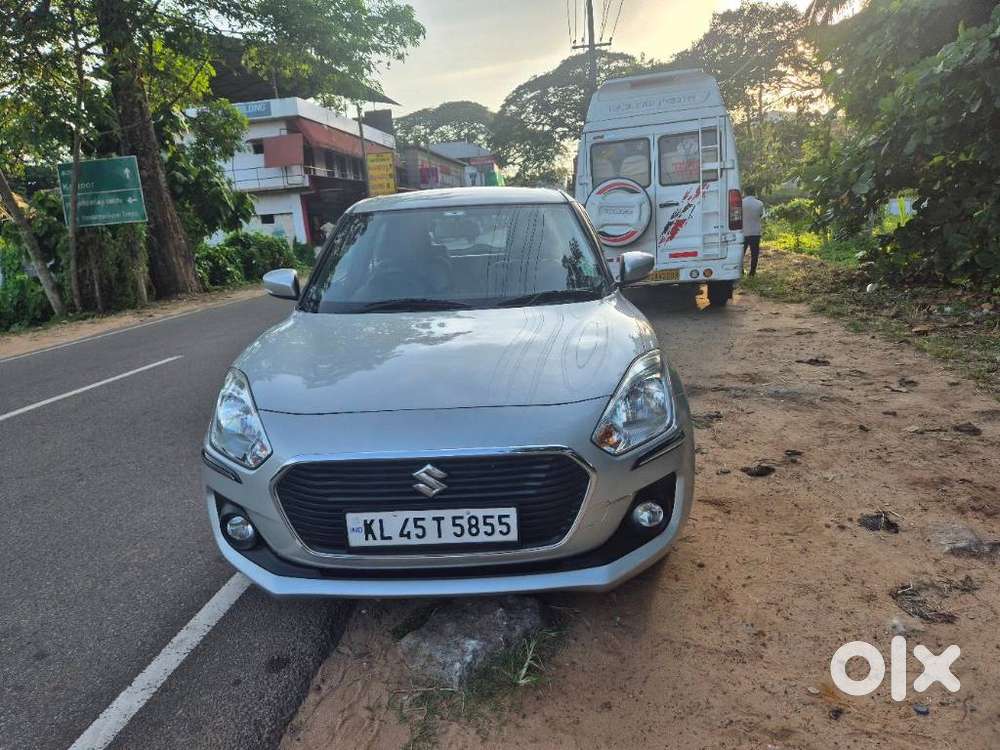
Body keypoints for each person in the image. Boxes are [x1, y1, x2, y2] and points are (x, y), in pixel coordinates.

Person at [741, 187, 765, 276]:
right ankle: (752, 272)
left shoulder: (741, 203)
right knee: (754, 253)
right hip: (755, 232)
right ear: (754, 192)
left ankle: (741, 270)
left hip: (743, 232)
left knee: (741, 253)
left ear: (745, 192)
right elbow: (760, 215)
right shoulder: (759, 203)